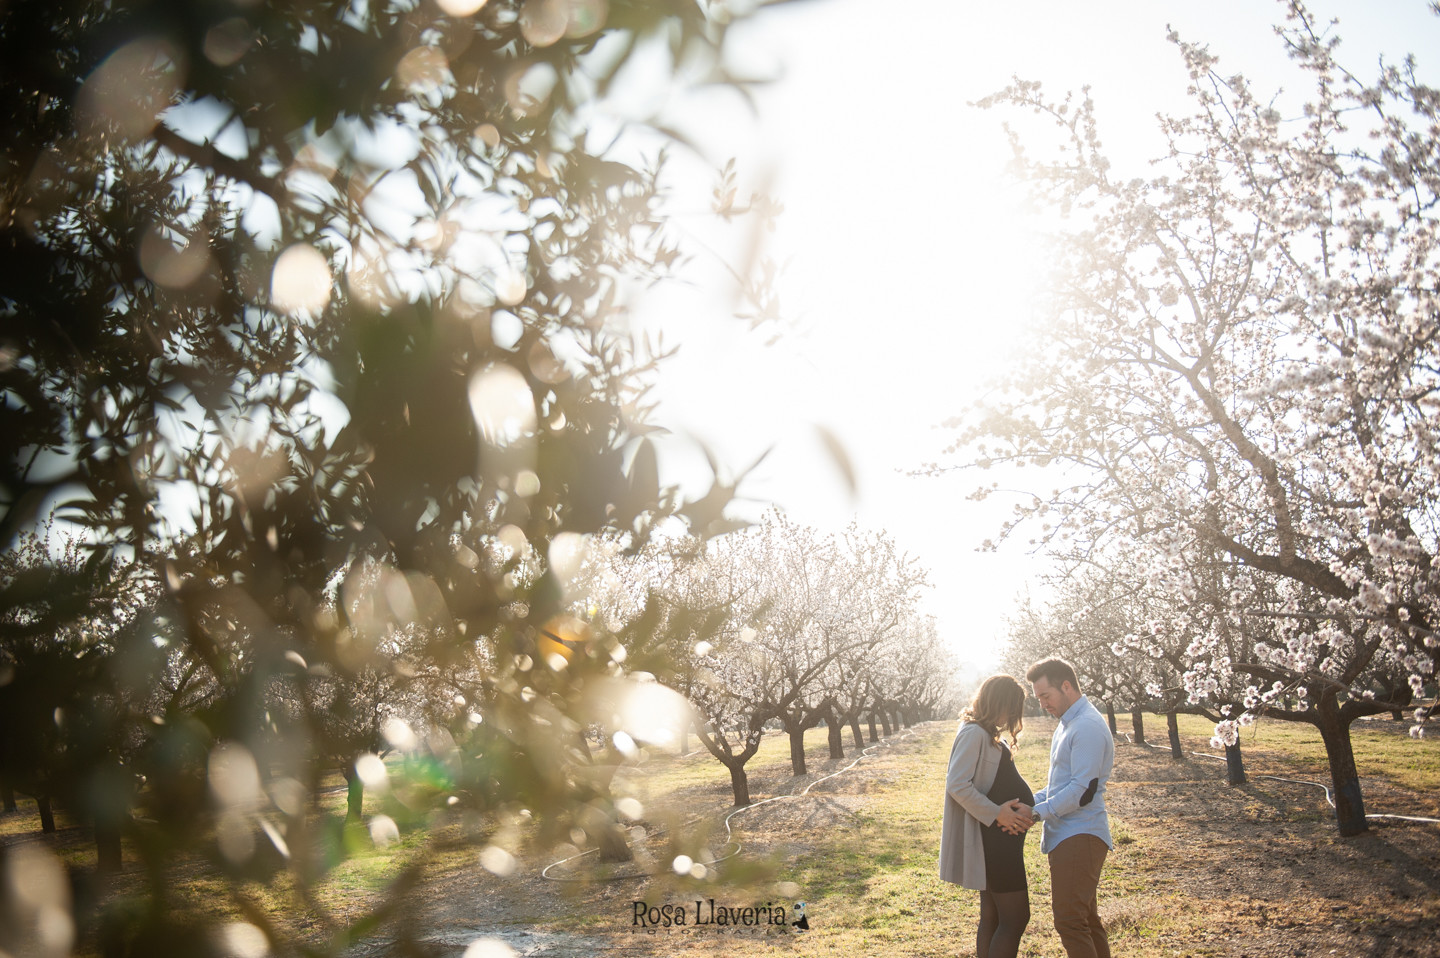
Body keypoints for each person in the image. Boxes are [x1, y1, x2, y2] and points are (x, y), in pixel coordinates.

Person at [1008, 657, 1115, 958]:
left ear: (1066, 686)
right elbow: (1060, 787)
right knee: (1086, 921)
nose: (1042, 704)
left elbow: (1081, 792)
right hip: (1069, 834)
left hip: (1080, 835)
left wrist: (1036, 812)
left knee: (1070, 921)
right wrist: (1029, 802)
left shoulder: (1087, 727)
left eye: (1046, 695)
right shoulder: (1068, 724)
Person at [939, 674, 1034, 958]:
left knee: (994, 918)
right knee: (1016, 918)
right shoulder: (974, 733)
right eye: (1012, 707)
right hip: (995, 841)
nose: (1014, 715)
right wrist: (997, 815)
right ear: (998, 702)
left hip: (998, 840)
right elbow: (957, 783)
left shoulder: (985, 732)